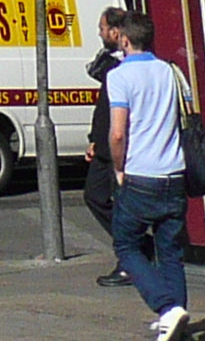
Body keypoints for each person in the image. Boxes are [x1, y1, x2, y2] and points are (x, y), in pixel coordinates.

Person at [104, 9, 197, 341]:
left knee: (126, 244)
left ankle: (166, 308)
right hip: (175, 173)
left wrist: (118, 169)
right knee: (170, 250)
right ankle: (177, 321)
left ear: (125, 39)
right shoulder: (170, 71)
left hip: (142, 174)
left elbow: (117, 133)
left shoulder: (118, 76)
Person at [84, 16, 130, 288]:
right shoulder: (112, 62)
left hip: (119, 145)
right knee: (94, 195)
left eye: (102, 28)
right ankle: (137, 246)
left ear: (115, 31)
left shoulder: (124, 65)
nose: (99, 32)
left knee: (122, 202)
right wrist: (94, 139)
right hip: (104, 144)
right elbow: (103, 106)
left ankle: (129, 260)